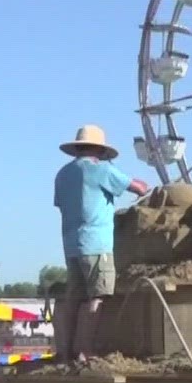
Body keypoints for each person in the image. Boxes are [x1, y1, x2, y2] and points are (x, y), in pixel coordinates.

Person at [52, 124, 149, 363]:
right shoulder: (102, 169)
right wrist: (144, 188)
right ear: (99, 149)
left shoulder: (63, 174)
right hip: (97, 244)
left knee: (73, 299)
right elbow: (137, 187)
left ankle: (65, 351)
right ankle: (85, 350)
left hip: (71, 245)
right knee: (97, 296)